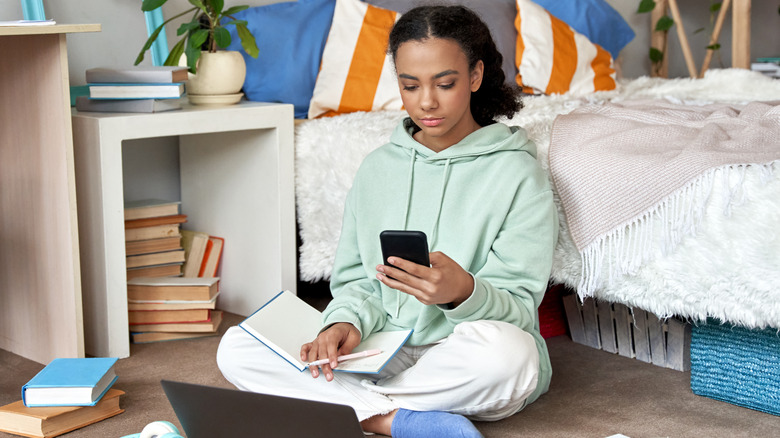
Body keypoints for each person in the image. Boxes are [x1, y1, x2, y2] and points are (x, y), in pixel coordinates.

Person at [217, 5, 558, 438]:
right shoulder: (377, 168)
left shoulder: (517, 173)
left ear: (475, 76)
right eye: (410, 85)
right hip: (380, 349)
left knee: (512, 357)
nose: (427, 102)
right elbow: (356, 282)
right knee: (239, 346)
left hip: (460, 352)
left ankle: (352, 409)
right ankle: (396, 420)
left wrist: (463, 292)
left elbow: (518, 309)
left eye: (445, 83)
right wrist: (344, 324)